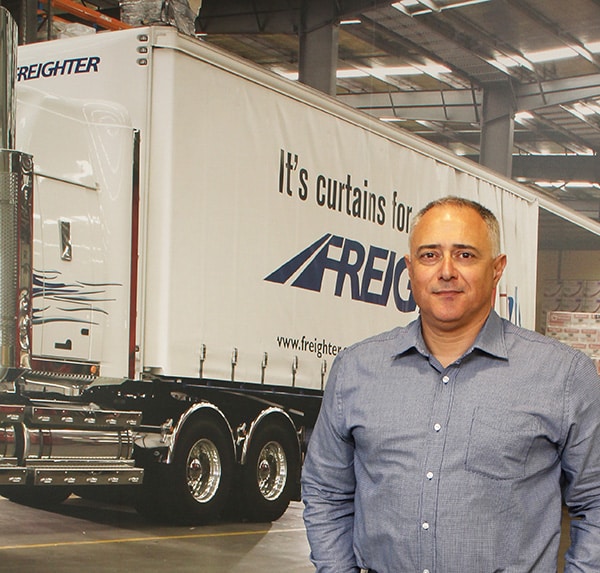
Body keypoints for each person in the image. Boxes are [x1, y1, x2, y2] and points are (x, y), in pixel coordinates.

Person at [301, 196, 600, 573]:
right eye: (429, 255)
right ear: (410, 269)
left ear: (497, 269)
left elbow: (595, 501)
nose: (445, 271)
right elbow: (325, 491)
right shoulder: (355, 370)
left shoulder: (563, 375)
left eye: (465, 255)